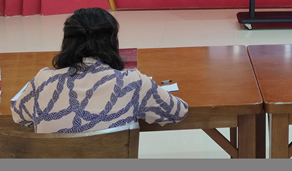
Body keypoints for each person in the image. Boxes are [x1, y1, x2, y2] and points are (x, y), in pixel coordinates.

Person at [11, 7, 188, 133]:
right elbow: (179, 112)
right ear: (112, 42)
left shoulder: (43, 80)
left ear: (67, 42)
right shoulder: (133, 82)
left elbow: (19, 116)